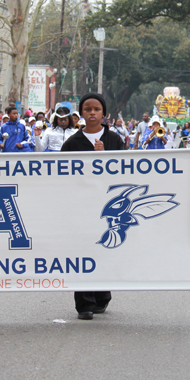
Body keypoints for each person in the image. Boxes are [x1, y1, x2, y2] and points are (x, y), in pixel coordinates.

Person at [61, 93, 125, 320]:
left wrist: (104, 158)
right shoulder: (72, 143)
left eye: (96, 109)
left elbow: (125, 170)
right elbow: (62, 174)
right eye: (87, 109)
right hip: (81, 204)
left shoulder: (115, 140)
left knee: (103, 247)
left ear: (104, 113)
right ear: (81, 114)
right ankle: (84, 303)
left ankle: (101, 296)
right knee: (82, 249)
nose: (92, 113)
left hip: (107, 204)